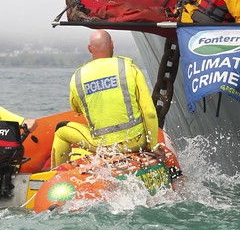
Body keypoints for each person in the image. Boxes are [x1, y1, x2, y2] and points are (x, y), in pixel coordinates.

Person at [51, 29, 164, 167]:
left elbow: (76, 109)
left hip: (104, 147)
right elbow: (150, 113)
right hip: (136, 142)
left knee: (61, 130)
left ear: (89, 49)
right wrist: (153, 146)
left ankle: (57, 174)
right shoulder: (129, 68)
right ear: (112, 44)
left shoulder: (78, 77)